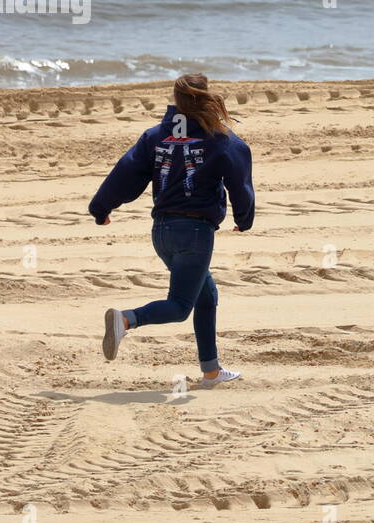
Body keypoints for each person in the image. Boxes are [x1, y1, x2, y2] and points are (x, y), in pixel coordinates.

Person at [87, 73, 255, 386]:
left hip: (161, 232)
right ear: (204, 98)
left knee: (207, 295)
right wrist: (244, 218)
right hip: (195, 233)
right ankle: (125, 320)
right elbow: (240, 174)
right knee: (179, 306)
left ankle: (212, 372)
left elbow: (126, 173)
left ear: (176, 102)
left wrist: (101, 208)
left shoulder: (155, 136)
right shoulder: (219, 138)